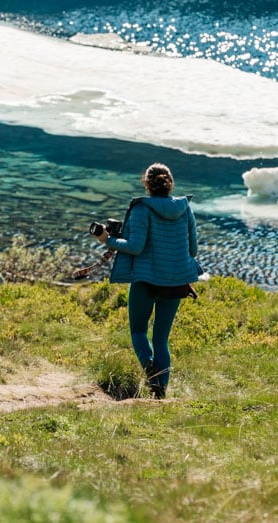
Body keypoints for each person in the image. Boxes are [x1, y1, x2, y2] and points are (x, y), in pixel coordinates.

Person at [93, 163, 202, 399]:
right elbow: (192, 250)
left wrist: (107, 240)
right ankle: (160, 393)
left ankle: (149, 369)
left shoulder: (142, 209)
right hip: (176, 283)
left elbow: (135, 247)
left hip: (146, 281)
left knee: (139, 332)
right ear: (170, 183)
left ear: (146, 183)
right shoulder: (185, 209)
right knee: (161, 339)